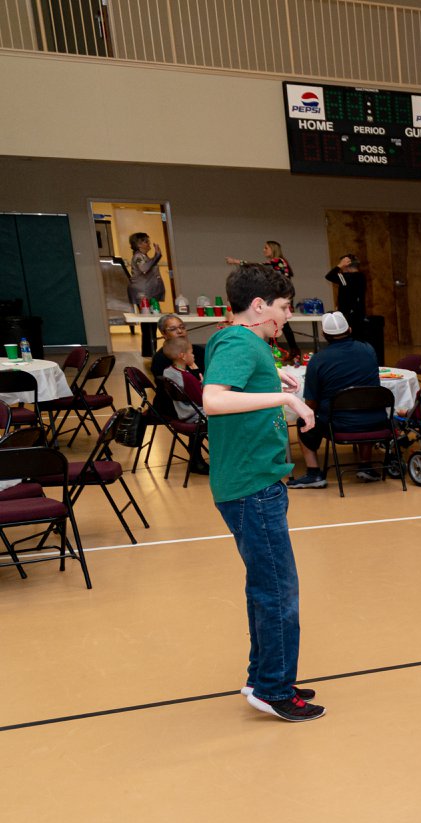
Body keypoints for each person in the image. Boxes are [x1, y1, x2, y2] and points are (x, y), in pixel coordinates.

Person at [200, 264, 324, 723]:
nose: (288, 316)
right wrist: (285, 398)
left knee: (264, 586)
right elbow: (214, 399)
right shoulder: (239, 341)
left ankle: (264, 678)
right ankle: (274, 689)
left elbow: (241, 383)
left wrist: (274, 378)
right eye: (284, 307)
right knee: (277, 590)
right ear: (258, 306)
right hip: (252, 486)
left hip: (251, 482)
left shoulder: (240, 340)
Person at [287, 312, 385, 488]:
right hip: (374, 419)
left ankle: (314, 473)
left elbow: (311, 404)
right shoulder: (368, 350)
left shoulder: (318, 360)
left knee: (304, 419)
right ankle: (365, 466)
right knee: (363, 407)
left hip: (338, 424)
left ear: (324, 335)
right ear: (350, 329)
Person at [225, 240, 300, 356]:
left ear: (273, 249)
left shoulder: (278, 261)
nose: (263, 250)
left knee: (281, 326)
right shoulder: (277, 263)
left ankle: (292, 351)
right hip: (276, 298)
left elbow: (258, 267)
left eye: (266, 248)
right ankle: (278, 350)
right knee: (276, 325)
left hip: (278, 298)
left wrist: (236, 261)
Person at [157, 336, 210, 475]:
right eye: (191, 352)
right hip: (196, 414)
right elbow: (202, 400)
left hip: (182, 412)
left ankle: (195, 456)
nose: (193, 355)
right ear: (182, 356)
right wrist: (203, 385)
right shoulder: (187, 378)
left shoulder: (168, 371)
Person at [127, 232, 166, 357]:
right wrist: (157, 256)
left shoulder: (144, 256)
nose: (149, 243)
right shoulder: (138, 256)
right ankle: (150, 352)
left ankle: (150, 351)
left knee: (151, 322)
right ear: (138, 244)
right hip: (142, 293)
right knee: (148, 322)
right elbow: (144, 269)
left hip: (148, 293)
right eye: (145, 241)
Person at [324, 254, 366, 329]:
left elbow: (329, 276)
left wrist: (339, 266)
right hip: (359, 312)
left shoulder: (346, 277)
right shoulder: (361, 276)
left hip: (348, 314)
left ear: (346, 266)